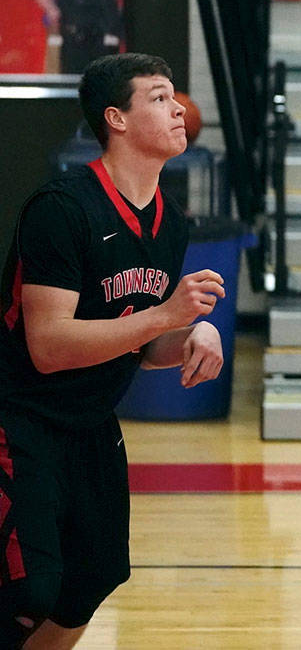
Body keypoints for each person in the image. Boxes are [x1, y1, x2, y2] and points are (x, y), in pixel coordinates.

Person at [0, 53, 225, 647]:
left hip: (92, 424)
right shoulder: (62, 209)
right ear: (115, 119)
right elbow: (48, 346)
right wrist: (165, 314)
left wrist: (193, 334)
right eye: (157, 97)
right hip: (19, 421)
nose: (177, 107)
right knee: (26, 593)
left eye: (174, 94)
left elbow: (146, 346)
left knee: (88, 583)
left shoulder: (170, 222)